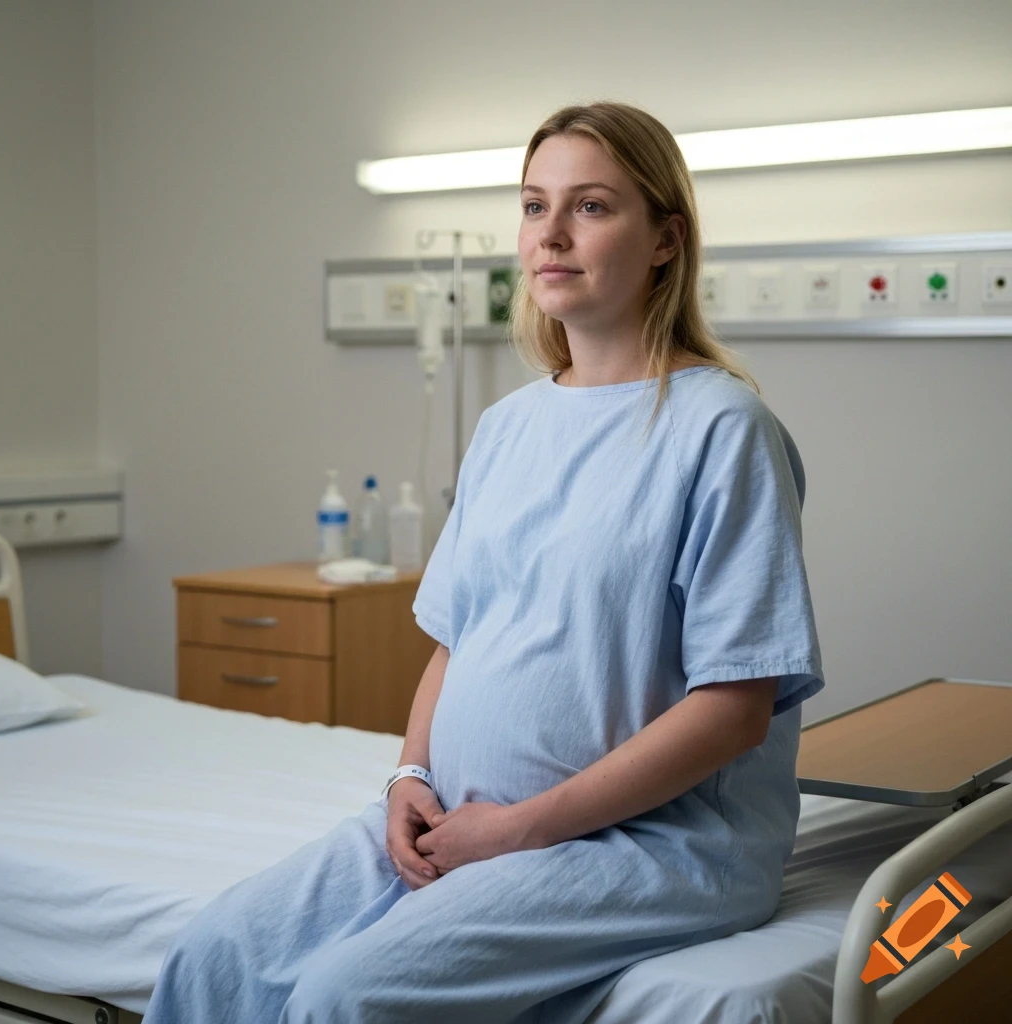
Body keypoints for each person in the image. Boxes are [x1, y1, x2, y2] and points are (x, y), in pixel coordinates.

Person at [142, 101, 825, 1024]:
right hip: (466, 819)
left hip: (651, 842)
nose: (551, 233)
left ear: (665, 239)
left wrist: (520, 830)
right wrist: (409, 782)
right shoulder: (507, 428)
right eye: (534, 205)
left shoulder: (720, 429)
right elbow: (457, 645)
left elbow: (734, 712)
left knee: (347, 999)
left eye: (590, 207)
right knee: (212, 959)